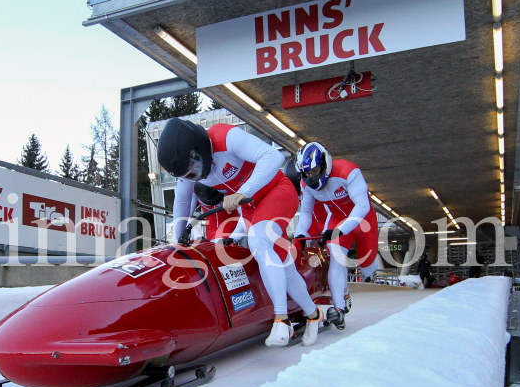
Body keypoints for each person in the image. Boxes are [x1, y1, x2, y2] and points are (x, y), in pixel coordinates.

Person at [158, 119, 321, 347]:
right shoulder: (190, 169)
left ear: (199, 150)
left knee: (259, 242)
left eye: (195, 169)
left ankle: (282, 319)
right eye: (190, 175)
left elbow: (274, 157)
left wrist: (243, 191)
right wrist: (177, 239)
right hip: (250, 208)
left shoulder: (226, 137)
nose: (196, 176)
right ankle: (313, 315)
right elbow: (183, 200)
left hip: (277, 192)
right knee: (285, 267)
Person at [292, 142, 381, 330]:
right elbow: (306, 213)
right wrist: (300, 233)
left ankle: (356, 282)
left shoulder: (349, 172)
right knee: (335, 256)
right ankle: (339, 309)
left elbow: (362, 206)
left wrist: (341, 230)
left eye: (315, 171)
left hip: (363, 220)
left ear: (325, 164)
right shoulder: (305, 184)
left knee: (367, 267)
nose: (312, 177)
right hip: (338, 219)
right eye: (307, 173)